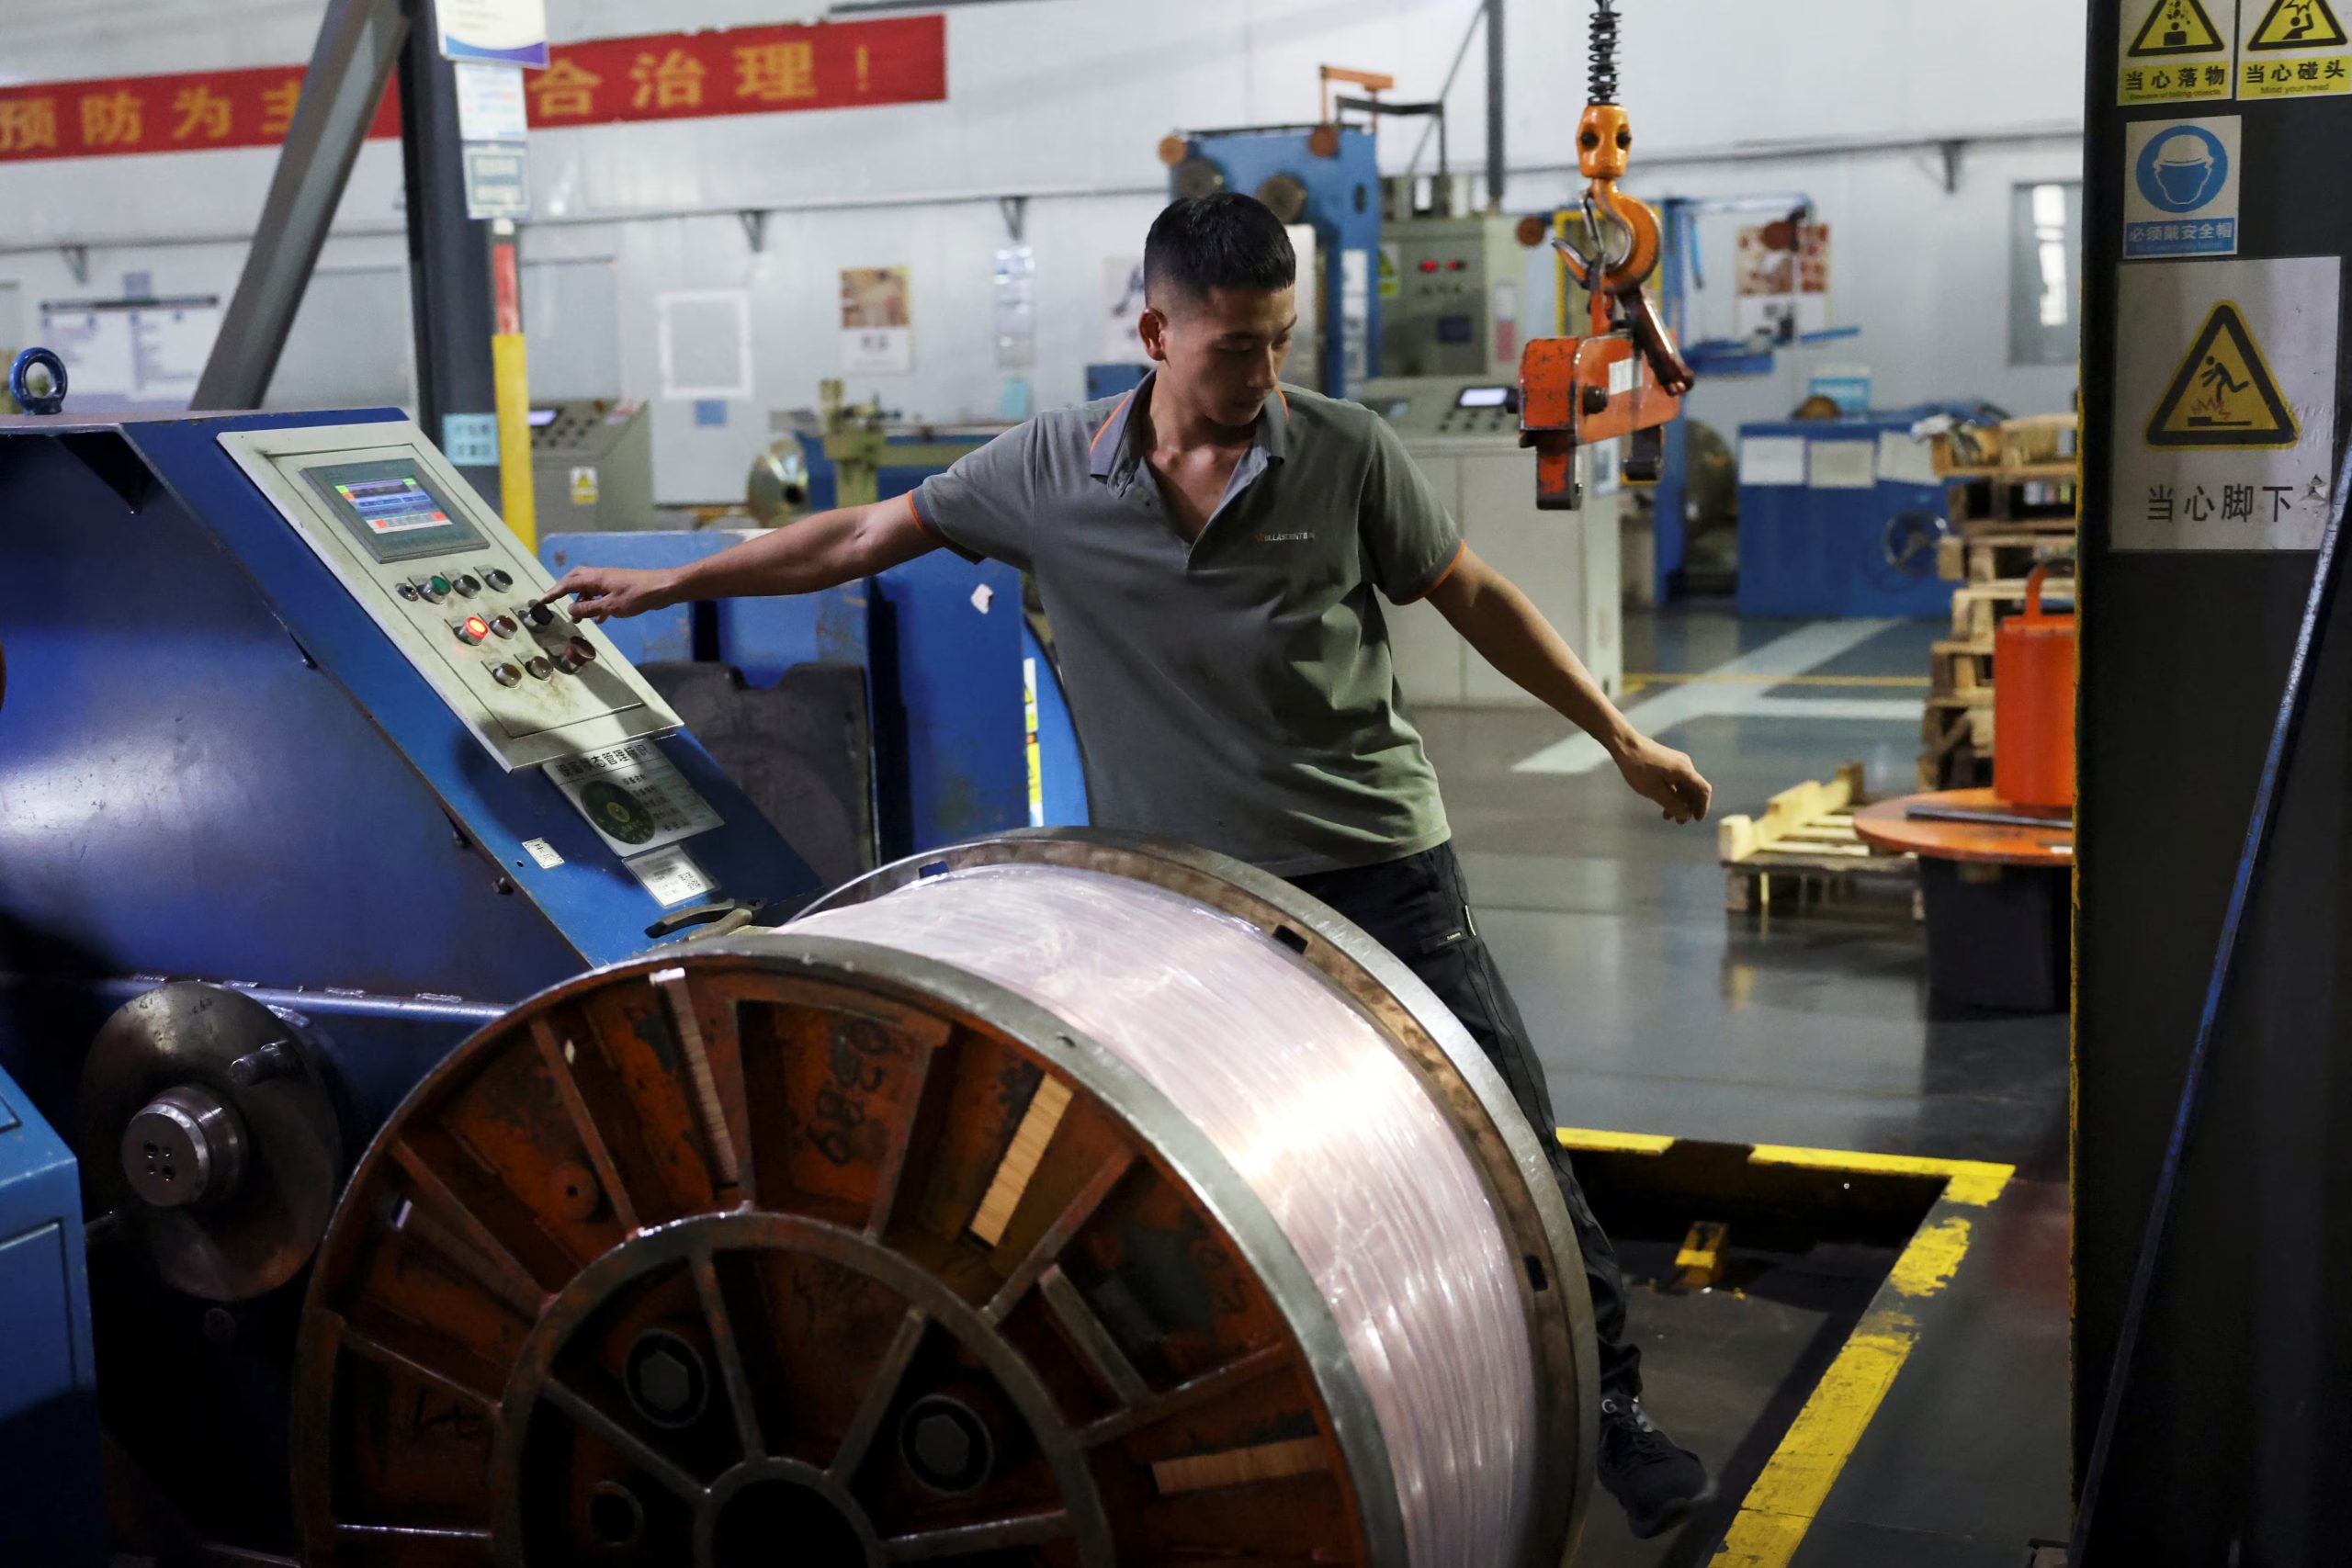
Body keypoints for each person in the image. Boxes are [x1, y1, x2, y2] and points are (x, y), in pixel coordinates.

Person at [541, 192, 1718, 1539]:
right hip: (1194, 911)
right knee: (1223, 1182)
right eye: (1234, 349)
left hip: (1379, 871)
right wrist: (672, 583)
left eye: (1281, 343)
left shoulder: (1344, 453)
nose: (1264, 376)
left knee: (1511, 1157)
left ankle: (1613, 1410)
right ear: (1155, 331)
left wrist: (1618, 736)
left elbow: (1472, 597)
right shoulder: (1046, 474)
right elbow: (861, 537)